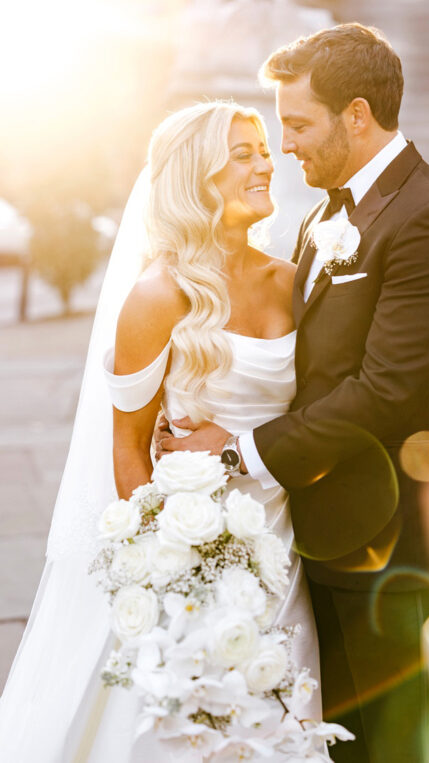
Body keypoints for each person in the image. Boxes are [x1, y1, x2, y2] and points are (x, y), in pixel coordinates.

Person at [159, 24, 429, 763]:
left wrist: (236, 451)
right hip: (317, 536)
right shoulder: (322, 216)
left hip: (390, 539)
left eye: (299, 125)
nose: (288, 148)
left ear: (358, 116)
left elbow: (387, 389)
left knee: (396, 746)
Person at [0, 101, 321, 760]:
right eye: (243, 154)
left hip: (284, 543)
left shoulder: (292, 281)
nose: (266, 164)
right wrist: (171, 579)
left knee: (284, 713)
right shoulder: (159, 296)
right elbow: (127, 447)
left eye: (264, 149)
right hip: (192, 552)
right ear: (196, 179)